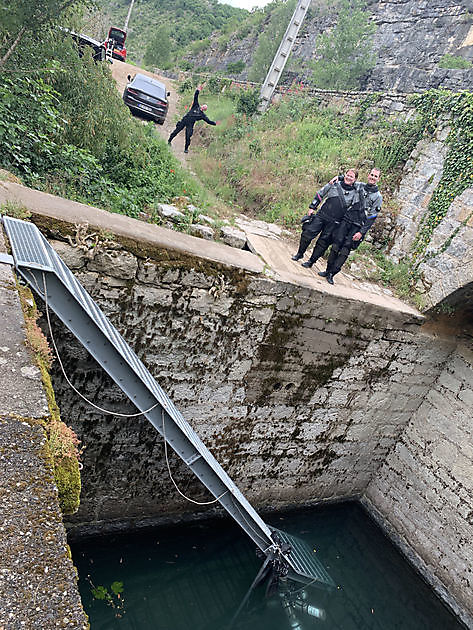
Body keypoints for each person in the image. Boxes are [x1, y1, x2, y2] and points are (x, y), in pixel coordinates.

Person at [318, 168, 383, 285]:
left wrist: (361, 233)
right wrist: (338, 178)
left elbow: (372, 218)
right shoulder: (359, 186)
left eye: (375, 176)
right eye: (371, 175)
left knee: (345, 250)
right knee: (335, 245)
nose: (373, 177)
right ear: (368, 175)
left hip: (358, 226)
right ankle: (327, 270)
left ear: (378, 179)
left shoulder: (378, 197)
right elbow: (348, 180)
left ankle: (333, 273)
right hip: (346, 220)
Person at [291, 169, 359, 266]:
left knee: (323, 243)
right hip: (321, 215)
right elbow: (320, 193)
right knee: (307, 234)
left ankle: (311, 262)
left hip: (335, 222)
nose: (348, 177)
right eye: (347, 175)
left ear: (355, 179)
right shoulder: (334, 183)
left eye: (351, 176)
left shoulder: (356, 192)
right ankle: (299, 254)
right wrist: (312, 207)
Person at [168, 84, 217, 153]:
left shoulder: (202, 115)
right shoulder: (196, 105)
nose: (203, 108)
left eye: (205, 108)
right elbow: (195, 97)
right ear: (202, 106)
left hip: (190, 124)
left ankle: (186, 149)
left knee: (188, 136)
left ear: (205, 110)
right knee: (177, 130)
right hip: (185, 120)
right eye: (203, 106)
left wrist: (215, 123)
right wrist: (198, 90)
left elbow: (208, 121)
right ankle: (169, 140)